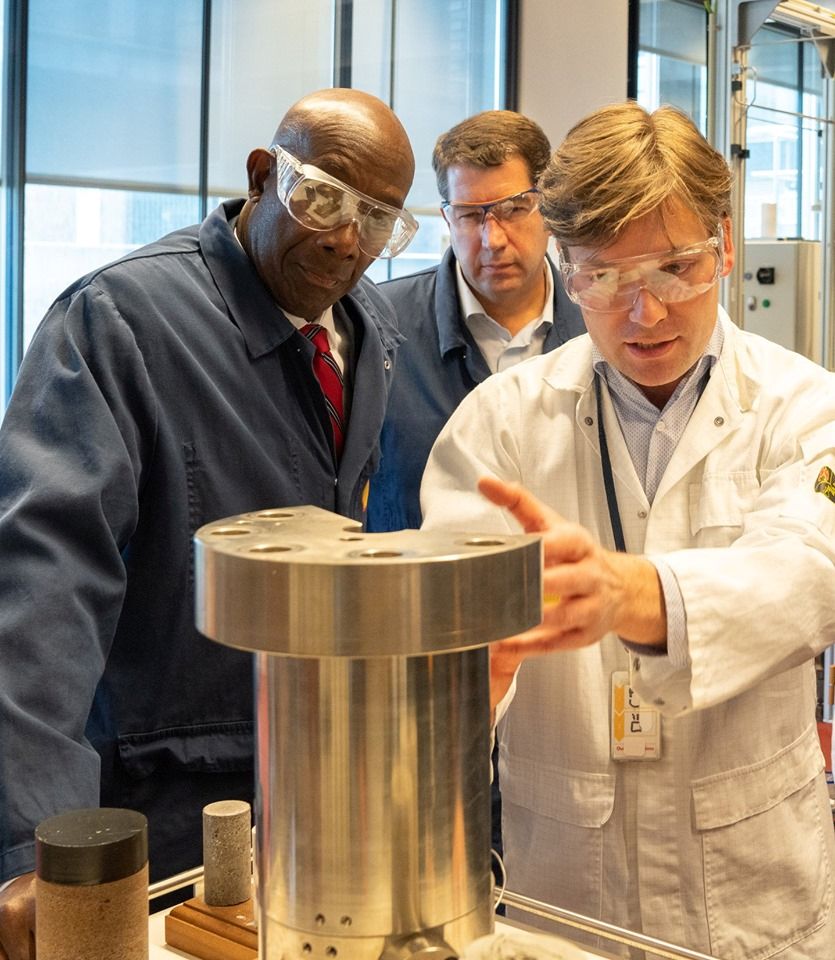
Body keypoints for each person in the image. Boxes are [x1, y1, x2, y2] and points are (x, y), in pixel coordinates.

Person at [0, 88, 415, 959]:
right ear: (263, 176)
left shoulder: (368, 330)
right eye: (323, 198)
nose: (346, 239)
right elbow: (42, 583)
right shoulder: (122, 321)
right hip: (154, 812)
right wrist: (30, 838)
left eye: (378, 220)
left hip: (307, 803)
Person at [421, 101, 835, 958]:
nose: (644, 313)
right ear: (564, 269)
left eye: (675, 269)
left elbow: (809, 569)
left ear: (723, 248)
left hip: (752, 893)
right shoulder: (498, 426)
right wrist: (465, 664)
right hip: (565, 889)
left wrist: (634, 593)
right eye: (603, 279)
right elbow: (441, 656)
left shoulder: (804, 409)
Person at [366, 109, 584, 532]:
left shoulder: (599, 329)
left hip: (565, 590)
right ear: (447, 218)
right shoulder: (380, 325)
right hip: (416, 588)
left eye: (514, 209)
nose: (493, 239)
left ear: (549, 208)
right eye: (470, 215)